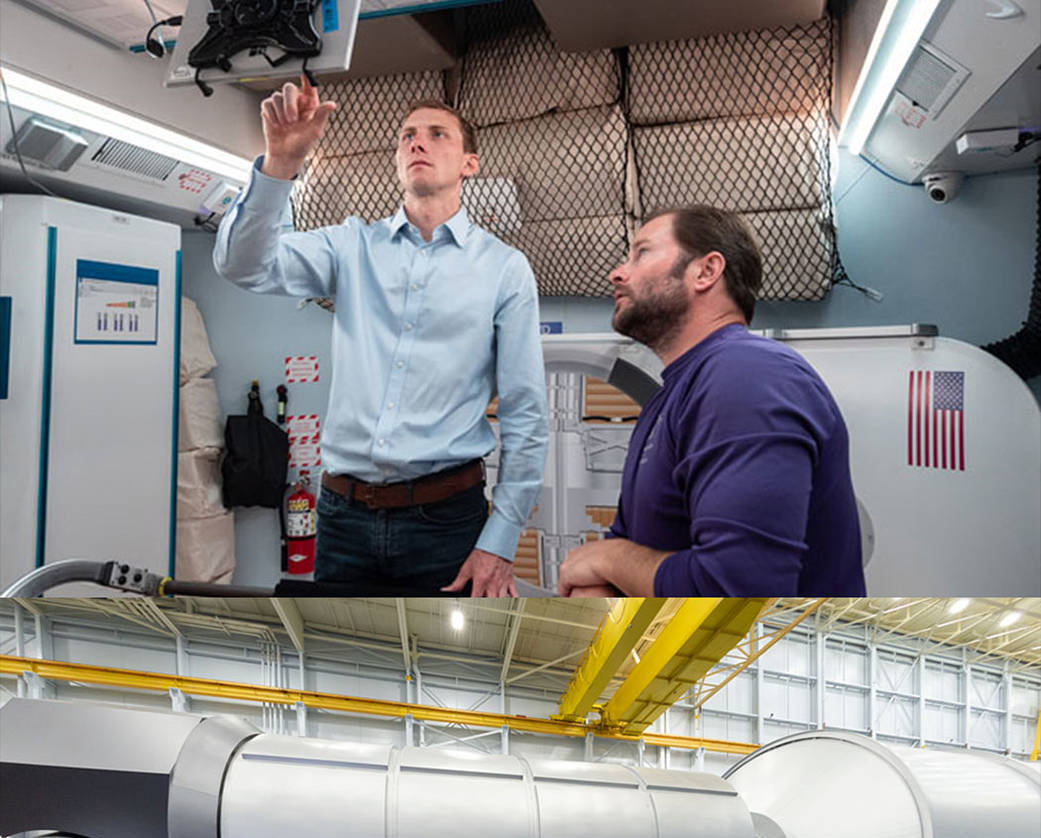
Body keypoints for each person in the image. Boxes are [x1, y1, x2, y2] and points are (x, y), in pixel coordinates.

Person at [214, 78, 548, 596]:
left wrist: (500, 542)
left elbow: (527, 413)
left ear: (469, 164)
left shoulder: (504, 269)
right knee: (344, 667)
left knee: (453, 665)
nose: (418, 142)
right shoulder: (351, 246)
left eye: (439, 135)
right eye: (408, 135)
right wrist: (280, 165)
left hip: (446, 521)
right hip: (344, 518)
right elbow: (243, 266)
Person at [557, 206, 866, 598]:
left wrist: (612, 561)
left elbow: (736, 587)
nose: (617, 273)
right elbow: (627, 537)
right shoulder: (669, 396)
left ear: (706, 271)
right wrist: (604, 577)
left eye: (642, 253)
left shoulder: (747, 375)